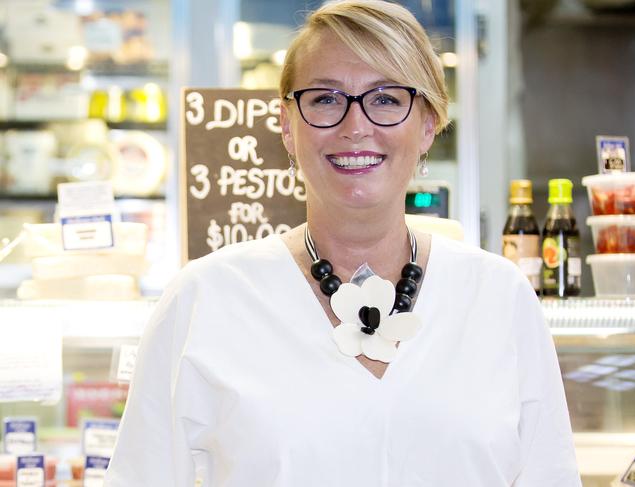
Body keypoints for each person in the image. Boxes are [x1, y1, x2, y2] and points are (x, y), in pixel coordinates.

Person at [105, 1, 581, 485]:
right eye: (326, 99)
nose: (356, 127)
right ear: (288, 126)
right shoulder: (205, 298)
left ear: (428, 124)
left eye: (387, 98)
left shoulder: (497, 296)